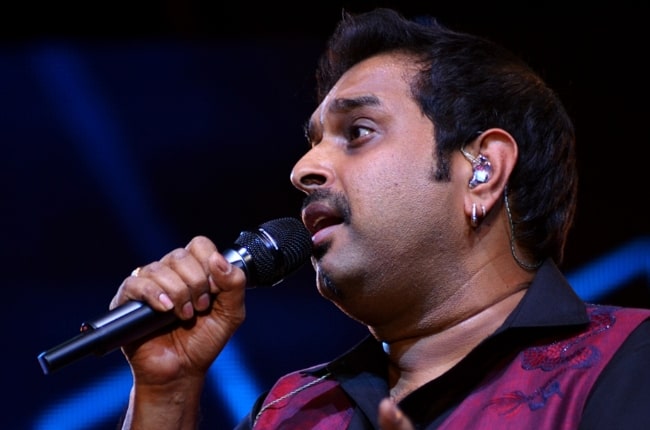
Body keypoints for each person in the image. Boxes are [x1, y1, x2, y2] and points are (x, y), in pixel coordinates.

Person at [110, 7, 650, 429]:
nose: (304, 170)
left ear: (482, 169)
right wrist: (166, 392)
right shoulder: (288, 413)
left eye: (358, 132)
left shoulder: (628, 362)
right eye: (315, 142)